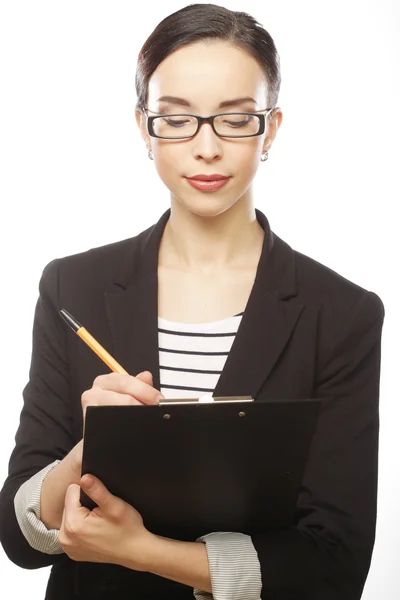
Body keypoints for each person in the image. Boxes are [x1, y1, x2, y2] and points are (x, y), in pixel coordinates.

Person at [0, 3, 385, 600]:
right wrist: (87, 451)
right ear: (143, 128)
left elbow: (334, 567)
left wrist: (147, 554)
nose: (206, 148)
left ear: (272, 128)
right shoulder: (69, 287)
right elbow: (17, 538)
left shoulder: (343, 315)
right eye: (175, 120)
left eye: (235, 120)